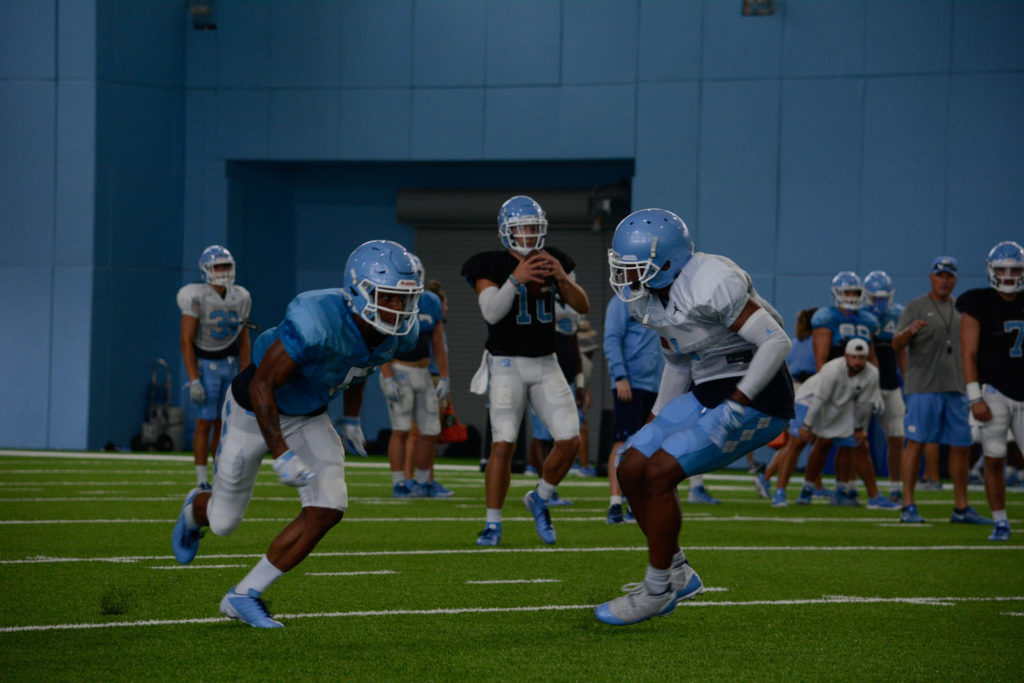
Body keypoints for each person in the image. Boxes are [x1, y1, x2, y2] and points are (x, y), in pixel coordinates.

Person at [171, 240, 422, 628]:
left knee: (329, 505)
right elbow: (262, 385)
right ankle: (194, 509)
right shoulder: (317, 318)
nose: (398, 308)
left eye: (404, 298)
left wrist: (351, 418)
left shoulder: (400, 333)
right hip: (253, 409)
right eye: (387, 297)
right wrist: (282, 453)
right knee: (223, 522)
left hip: (308, 415)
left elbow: (361, 367)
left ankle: (244, 594)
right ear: (358, 290)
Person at [595, 209, 793, 626]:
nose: (626, 276)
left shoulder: (710, 282)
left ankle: (656, 590)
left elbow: (776, 342)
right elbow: (678, 363)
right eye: (623, 266)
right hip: (707, 388)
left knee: (660, 472)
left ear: (668, 263)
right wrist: (654, 419)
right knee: (629, 465)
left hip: (759, 394)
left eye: (636, 267)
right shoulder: (648, 299)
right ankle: (679, 573)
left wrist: (737, 402)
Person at [462, 195, 589, 546]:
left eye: (534, 227)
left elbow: (582, 307)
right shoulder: (490, 264)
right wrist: (515, 279)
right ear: (507, 231)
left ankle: (541, 496)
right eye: (522, 228)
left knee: (570, 440)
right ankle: (492, 523)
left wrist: (562, 277)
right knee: (503, 444)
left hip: (546, 362)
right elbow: (491, 312)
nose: (530, 234)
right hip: (505, 363)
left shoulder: (553, 260)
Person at [893, 256, 991, 525]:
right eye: (940, 275)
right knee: (915, 443)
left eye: (949, 276)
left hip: (957, 387)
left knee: (961, 446)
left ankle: (961, 507)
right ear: (931, 277)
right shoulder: (915, 306)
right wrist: (909, 332)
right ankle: (908, 505)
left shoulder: (962, 309)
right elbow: (896, 344)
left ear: (955, 280)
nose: (944, 281)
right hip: (923, 387)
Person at [771, 339, 896, 509]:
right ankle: (780, 492)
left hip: (839, 407)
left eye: (861, 358)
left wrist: (859, 429)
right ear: (846, 356)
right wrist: (807, 426)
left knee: (856, 445)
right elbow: (819, 400)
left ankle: (856, 494)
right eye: (854, 357)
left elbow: (864, 406)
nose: (857, 362)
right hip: (809, 401)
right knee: (798, 443)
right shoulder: (832, 370)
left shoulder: (872, 374)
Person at [957, 241, 1024, 541]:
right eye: (1002, 270)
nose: (1008, 276)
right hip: (995, 391)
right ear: (991, 270)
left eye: (1015, 270)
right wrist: (975, 396)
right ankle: (1001, 522)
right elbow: (968, 353)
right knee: (994, 458)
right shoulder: (978, 302)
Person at [177, 245, 252, 488]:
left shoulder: (241, 296)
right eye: (217, 267)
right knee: (205, 422)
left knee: (224, 424)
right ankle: (201, 480)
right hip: (207, 366)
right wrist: (194, 378)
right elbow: (186, 340)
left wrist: (245, 374)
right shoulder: (195, 296)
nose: (222, 271)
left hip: (230, 365)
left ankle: (220, 476)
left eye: (226, 266)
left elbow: (244, 339)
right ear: (206, 270)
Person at [381, 257, 452, 498]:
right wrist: (387, 376)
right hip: (399, 369)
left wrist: (444, 376)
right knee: (401, 429)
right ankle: (400, 483)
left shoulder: (430, 301)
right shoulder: (391, 300)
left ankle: (423, 483)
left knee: (431, 430)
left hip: (424, 371)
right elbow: (382, 341)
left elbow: (438, 342)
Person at [812, 272, 881, 504]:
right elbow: (821, 359)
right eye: (846, 292)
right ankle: (809, 487)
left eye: (854, 292)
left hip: (858, 388)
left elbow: (872, 359)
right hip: (834, 387)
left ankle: (845, 487)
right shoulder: (826, 317)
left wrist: (875, 389)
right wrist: (826, 389)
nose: (851, 296)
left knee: (852, 442)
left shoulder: (866, 320)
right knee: (821, 440)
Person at [603, 295, 663, 523]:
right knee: (622, 441)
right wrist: (620, 375)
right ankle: (615, 504)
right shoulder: (621, 300)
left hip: (655, 384)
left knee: (648, 444)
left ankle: (634, 504)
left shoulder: (656, 298)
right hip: (630, 382)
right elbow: (612, 338)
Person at [755, 307, 816, 499]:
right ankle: (767, 478)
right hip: (806, 390)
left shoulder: (796, 341)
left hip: (794, 388)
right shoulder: (815, 341)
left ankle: (766, 478)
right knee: (796, 442)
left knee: (795, 441)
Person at [863, 270, 907, 503]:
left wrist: (908, 381)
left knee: (897, 436)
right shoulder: (860, 315)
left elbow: (901, 352)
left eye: (883, 297)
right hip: (863, 384)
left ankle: (895, 486)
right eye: (875, 297)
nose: (879, 302)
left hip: (890, 383)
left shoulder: (898, 314)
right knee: (856, 437)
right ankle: (846, 485)